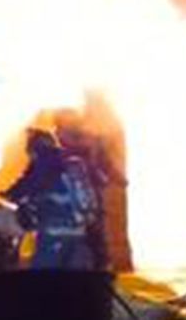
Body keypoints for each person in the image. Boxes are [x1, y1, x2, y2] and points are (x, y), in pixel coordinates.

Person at [1, 127, 95, 270]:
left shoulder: (45, 161)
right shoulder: (70, 162)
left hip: (54, 231)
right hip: (78, 231)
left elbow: (27, 184)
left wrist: (11, 194)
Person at [54, 112, 126, 270]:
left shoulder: (81, 148)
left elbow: (103, 164)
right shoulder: (78, 148)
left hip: (84, 196)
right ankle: (97, 266)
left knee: (92, 235)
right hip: (81, 197)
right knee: (91, 236)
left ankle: (98, 267)